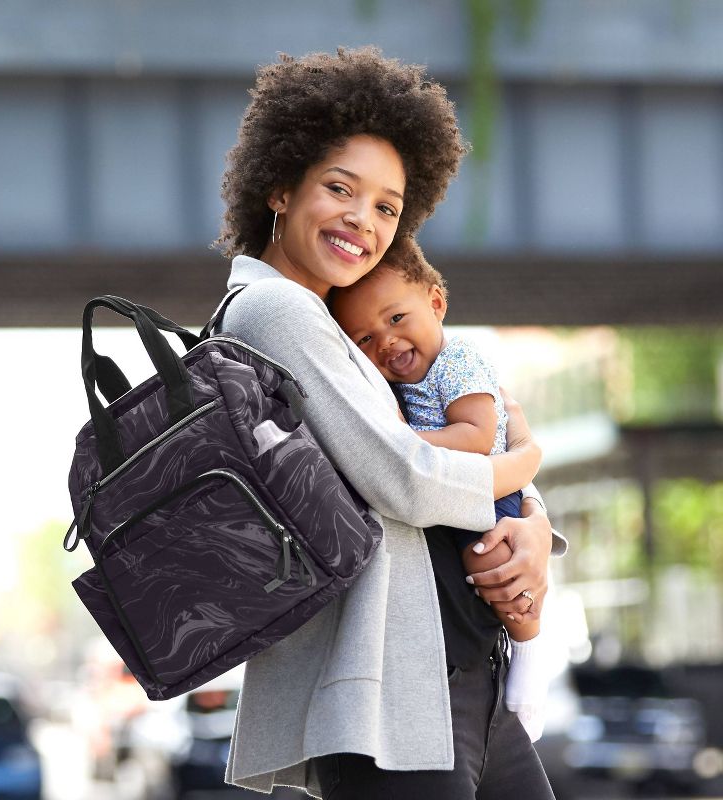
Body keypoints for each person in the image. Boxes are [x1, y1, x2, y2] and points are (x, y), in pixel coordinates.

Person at [212, 47, 567, 799]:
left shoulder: (335, 319)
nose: (361, 221)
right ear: (280, 185)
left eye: (386, 206)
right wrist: (526, 471)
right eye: (339, 188)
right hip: (398, 697)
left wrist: (531, 522)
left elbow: (429, 440)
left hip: (452, 673)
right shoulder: (276, 310)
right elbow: (403, 476)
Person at [329, 241, 551, 742]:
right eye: (364, 338)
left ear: (436, 303)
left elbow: (474, 438)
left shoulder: (459, 363)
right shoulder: (400, 386)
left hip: (488, 493)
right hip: (455, 494)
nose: (385, 341)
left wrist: (398, 444)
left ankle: (531, 644)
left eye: (397, 318)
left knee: (488, 564)